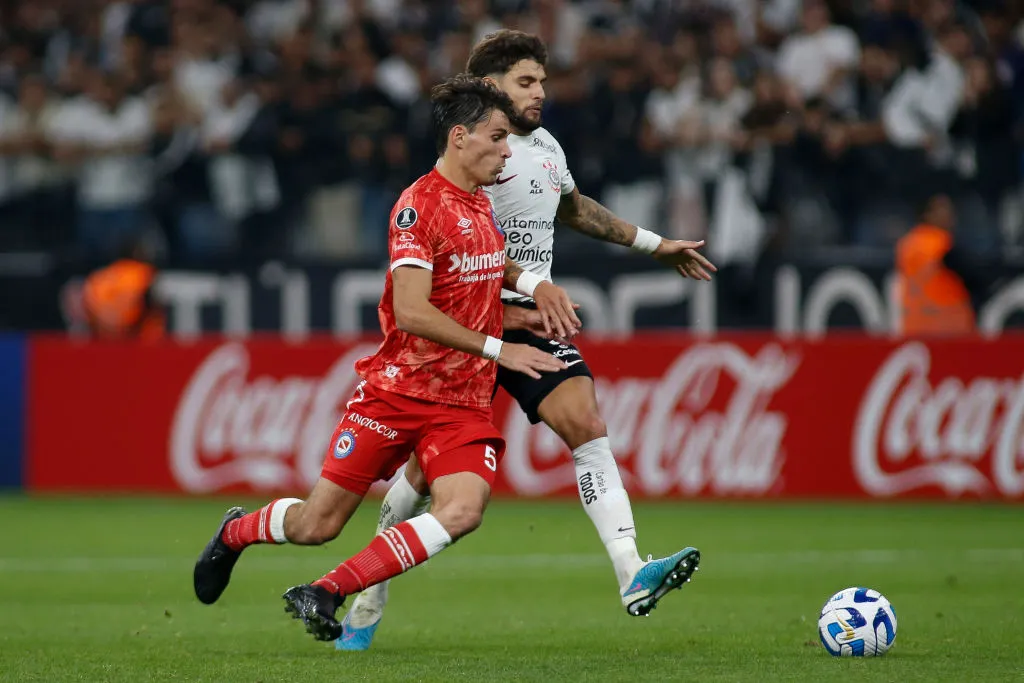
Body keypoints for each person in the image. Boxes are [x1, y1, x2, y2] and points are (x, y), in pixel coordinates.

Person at [339, 30, 716, 651]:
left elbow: (571, 208)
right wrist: (530, 285)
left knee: (585, 422)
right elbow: (441, 255)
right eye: (525, 82)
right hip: (470, 329)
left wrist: (654, 244)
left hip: (530, 322)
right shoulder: (474, 157)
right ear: (489, 89)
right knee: (420, 480)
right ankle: (369, 592)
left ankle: (631, 573)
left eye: (541, 81)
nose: (541, 92)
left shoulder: (542, 147)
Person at [193, 74, 583, 643]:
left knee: (463, 509)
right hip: (396, 393)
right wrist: (504, 346)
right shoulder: (417, 207)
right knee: (315, 524)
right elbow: (412, 313)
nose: (508, 149)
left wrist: (533, 286)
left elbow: (483, 263)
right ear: (459, 138)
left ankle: (327, 590)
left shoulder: (478, 203)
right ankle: (235, 534)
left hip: (461, 405)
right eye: (498, 137)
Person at [896, 194, 978, 336]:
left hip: (915, 326)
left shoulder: (908, 243)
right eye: (943, 208)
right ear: (927, 214)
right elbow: (972, 275)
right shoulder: (942, 245)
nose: (950, 214)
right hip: (948, 328)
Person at [81, 239, 165, 340]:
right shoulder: (144, 273)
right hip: (136, 339)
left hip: (102, 338)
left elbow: (88, 306)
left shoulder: (98, 277)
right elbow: (152, 302)